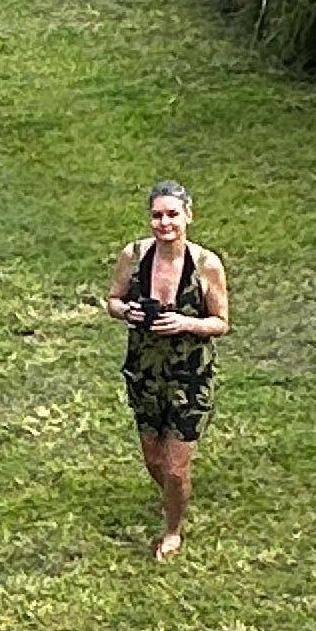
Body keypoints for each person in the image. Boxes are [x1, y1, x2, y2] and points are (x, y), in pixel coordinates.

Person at [105, 179, 230, 561]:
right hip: (144, 375)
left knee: (175, 467)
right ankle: (176, 497)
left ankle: (172, 530)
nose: (164, 223)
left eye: (172, 214)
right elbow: (112, 299)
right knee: (154, 460)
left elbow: (221, 322)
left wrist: (184, 323)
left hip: (190, 378)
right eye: (157, 215)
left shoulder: (206, 265)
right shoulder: (134, 255)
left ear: (188, 216)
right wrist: (128, 311)